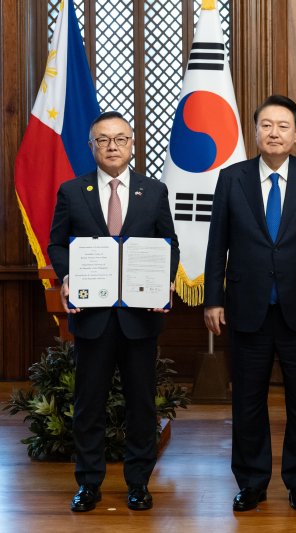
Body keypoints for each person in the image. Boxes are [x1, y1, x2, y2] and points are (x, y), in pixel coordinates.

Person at [204, 94, 296, 513]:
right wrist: (213, 299)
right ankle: (251, 482)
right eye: (266, 125)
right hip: (247, 308)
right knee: (247, 402)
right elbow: (217, 246)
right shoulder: (232, 179)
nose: (274, 133)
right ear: (255, 130)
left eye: (283, 126)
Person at [48, 111, 180, 512]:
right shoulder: (73, 191)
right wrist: (68, 275)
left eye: (120, 139)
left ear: (132, 144)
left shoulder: (154, 191)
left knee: (141, 404)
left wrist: (166, 280)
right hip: (93, 316)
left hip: (140, 317)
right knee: (90, 404)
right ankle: (88, 484)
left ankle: (138, 483)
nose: (112, 146)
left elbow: (168, 245)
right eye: (103, 140)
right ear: (92, 146)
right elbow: (56, 245)